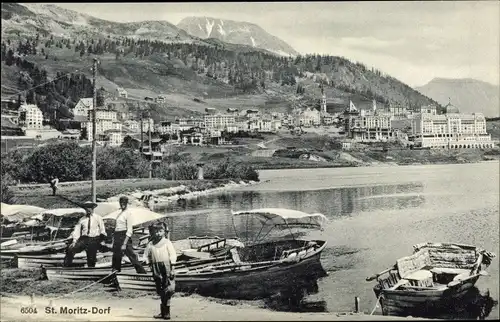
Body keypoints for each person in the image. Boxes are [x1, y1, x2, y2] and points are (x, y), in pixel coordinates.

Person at [143, 222, 177, 320]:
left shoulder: (167, 242)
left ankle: (167, 313)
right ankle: (162, 312)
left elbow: (173, 255)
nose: (158, 233)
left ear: (164, 232)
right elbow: (145, 255)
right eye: (156, 231)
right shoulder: (151, 244)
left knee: (168, 288)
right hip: (156, 267)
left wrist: (172, 269)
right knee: (160, 288)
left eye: (160, 231)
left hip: (166, 267)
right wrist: (149, 264)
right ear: (153, 232)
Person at [63, 201, 107, 268]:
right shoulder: (82, 219)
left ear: (92, 208)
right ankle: (67, 267)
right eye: (86, 208)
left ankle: (91, 271)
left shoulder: (98, 218)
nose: (88, 209)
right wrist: (74, 241)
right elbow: (77, 231)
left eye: (89, 207)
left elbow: (102, 230)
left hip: (94, 239)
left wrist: (102, 240)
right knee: (71, 249)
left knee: (91, 257)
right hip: (84, 239)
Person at [112, 196, 147, 274]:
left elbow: (129, 230)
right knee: (116, 256)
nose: (122, 204)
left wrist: (124, 243)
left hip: (124, 236)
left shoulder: (128, 214)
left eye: (124, 203)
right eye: (121, 203)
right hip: (117, 236)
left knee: (131, 256)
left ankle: (142, 272)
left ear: (127, 204)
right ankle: (116, 273)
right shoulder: (120, 213)